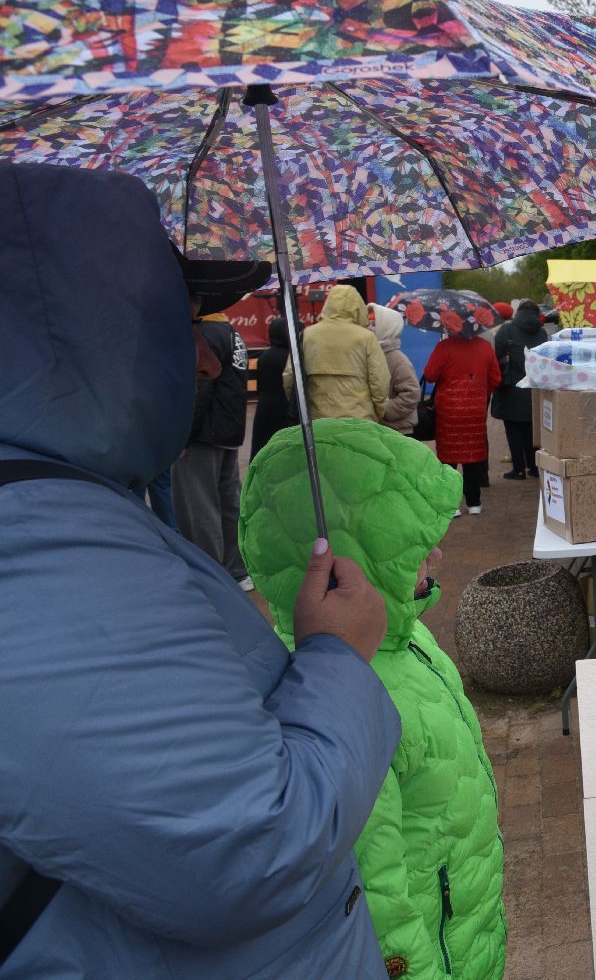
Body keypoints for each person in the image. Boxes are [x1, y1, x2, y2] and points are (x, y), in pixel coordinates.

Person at [0, 161, 398, 977]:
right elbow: (252, 853)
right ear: (71, 324)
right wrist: (333, 656)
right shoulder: (40, 557)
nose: (209, 360)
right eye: (176, 319)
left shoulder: (70, 510)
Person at [240, 419, 507, 980]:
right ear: (344, 560)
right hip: (436, 949)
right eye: (408, 545)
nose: (434, 555)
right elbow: (376, 893)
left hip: (464, 920)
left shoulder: (403, 635)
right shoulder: (342, 699)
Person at [172, 306, 252, 590]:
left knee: (200, 506)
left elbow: (201, 390)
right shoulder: (231, 331)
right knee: (229, 502)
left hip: (202, 434)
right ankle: (238, 570)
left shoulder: (203, 333)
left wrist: (183, 435)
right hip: (229, 430)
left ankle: (211, 576)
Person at [284, 283, 391, 423]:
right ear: (358, 307)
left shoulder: (307, 335)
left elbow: (290, 377)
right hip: (360, 420)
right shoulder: (366, 337)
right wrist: (380, 412)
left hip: (318, 420)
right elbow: (379, 381)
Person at [423, 327, 502, 515]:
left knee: (448, 456)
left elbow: (430, 375)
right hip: (475, 409)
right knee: (473, 456)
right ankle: (474, 503)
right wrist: (480, 392)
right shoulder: (484, 347)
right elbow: (495, 379)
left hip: (448, 410)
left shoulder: (444, 347)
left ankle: (452, 505)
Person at [491, 300, 548, 479]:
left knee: (513, 430)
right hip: (535, 388)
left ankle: (518, 469)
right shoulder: (542, 333)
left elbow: (495, 355)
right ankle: (533, 466)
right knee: (532, 429)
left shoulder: (507, 330)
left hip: (511, 388)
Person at [250, 316, 300, 458]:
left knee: (262, 445)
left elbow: (259, 384)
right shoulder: (292, 357)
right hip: (285, 405)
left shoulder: (264, 356)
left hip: (265, 405)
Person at [369, 303, 422, 436]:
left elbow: (412, 393)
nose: (369, 328)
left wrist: (385, 410)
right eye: (368, 323)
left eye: (374, 324)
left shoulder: (397, 359)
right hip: (382, 429)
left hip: (399, 432)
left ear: (387, 328)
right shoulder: (372, 355)